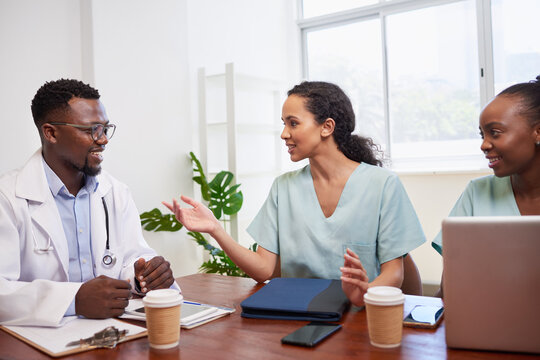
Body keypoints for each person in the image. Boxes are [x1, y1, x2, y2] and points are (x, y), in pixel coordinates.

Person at [164, 81, 425, 307]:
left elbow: (394, 273)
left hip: (362, 318)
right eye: (284, 123)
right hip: (298, 316)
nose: (284, 133)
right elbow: (264, 269)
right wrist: (215, 229)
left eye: (293, 123)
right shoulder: (284, 187)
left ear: (327, 127)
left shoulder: (383, 185)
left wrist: (366, 295)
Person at [0, 79, 177, 327]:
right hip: (39, 339)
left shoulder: (115, 192)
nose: (103, 140)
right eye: (90, 130)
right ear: (50, 132)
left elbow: (131, 259)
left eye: (105, 129)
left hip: (112, 333)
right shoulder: (7, 198)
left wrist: (144, 276)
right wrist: (74, 300)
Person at [432, 76, 540, 297]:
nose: (484, 145)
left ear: (537, 132)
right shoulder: (477, 193)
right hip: (489, 324)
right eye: (482, 135)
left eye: (495, 133)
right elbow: (450, 290)